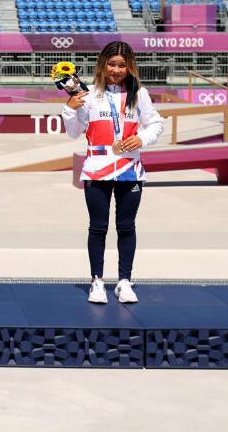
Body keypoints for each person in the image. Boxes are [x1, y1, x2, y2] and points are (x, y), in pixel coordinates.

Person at [61, 41, 163, 305]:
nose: (116, 70)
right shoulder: (90, 94)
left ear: (130, 67)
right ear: (103, 65)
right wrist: (70, 108)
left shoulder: (139, 93)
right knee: (98, 227)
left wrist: (142, 139)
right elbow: (73, 131)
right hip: (96, 171)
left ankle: (124, 282)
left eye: (122, 65)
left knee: (126, 227)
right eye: (112, 64)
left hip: (130, 170)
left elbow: (155, 124)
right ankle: (97, 281)